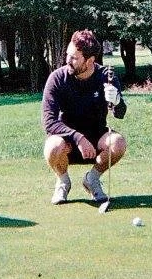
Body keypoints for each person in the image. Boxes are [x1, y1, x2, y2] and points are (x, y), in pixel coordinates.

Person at [42, 29, 128, 206]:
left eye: (74, 57)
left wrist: (117, 101)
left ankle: (92, 179)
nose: (68, 60)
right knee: (52, 146)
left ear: (89, 60)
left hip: (96, 139)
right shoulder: (57, 78)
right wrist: (78, 138)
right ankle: (63, 182)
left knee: (118, 143)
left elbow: (120, 114)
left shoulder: (106, 77)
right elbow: (49, 122)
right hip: (67, 141)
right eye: (68, 55)